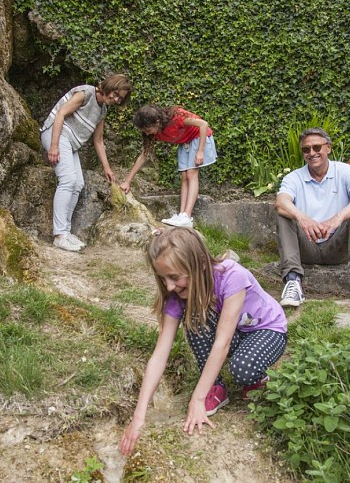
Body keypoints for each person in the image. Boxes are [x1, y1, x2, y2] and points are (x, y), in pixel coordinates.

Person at [119, 228, 288, 456]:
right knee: (196, 315)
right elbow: (160, 354)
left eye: (175, 277)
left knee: (243, 369)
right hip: (237, 332)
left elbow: (222, 341)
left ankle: (258, 380)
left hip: (267, 330)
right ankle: (216, 387)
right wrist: (138, 418)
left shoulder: (232, 276)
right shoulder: (177, 295)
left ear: (199, 264)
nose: (169, 286)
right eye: (163, 278)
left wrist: (196, 400)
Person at [274, 127, 350, 307]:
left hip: (337, 245)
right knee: (284, 213)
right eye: (306, 149)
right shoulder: (293, 178)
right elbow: (281, 202)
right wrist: (303, 218)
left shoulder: (345, 171)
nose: (312, 153)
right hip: (306, 246)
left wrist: (337, 219)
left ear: (328, 148)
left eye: (317, 147)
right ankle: (293, 281)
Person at [40, 74, 132, 252]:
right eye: (115, 93)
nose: (115, 99)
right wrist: (54, 145)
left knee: (78, 183)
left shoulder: (102, 110)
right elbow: (60, 114)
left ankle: (65, 232)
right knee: (68, 180)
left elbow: (98, 141)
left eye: (119, 98)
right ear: (109, 86)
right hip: (55, 134)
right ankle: (59, 235)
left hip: (69, 144)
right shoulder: (85, 93)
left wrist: (107, 168)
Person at [119, 105, 217, 228]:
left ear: (157, 122)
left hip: (199, 138)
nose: (146, 133)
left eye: (147, 129)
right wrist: (127, 181)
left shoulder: (177, 119)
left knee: (191, 173)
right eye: (143, 130)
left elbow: (203, 124)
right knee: (184, 176)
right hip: (185, 142)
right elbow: (144, 155)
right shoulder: (153, 133)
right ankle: (182, 215)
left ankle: (187, 216)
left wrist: (200, 151)